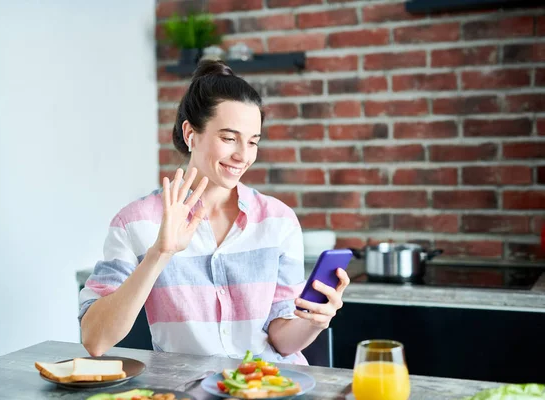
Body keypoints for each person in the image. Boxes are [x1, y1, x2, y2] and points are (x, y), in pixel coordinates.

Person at [78, 60, 350, 364]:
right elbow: (94, 340)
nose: (243, 156)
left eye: (252, 142)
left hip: (271, 386)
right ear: (191, 134)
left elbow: (282, 340)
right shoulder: (136, 222)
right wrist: (160, 253)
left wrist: (314, 321)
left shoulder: (278, 220)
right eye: (229, 138)